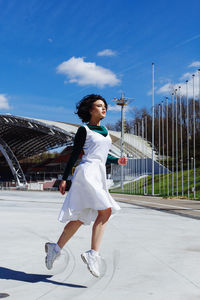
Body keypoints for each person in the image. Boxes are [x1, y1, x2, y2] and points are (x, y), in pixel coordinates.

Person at [45, 94, 128, 277]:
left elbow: (104, 155)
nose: (104, 108)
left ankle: (55, 248)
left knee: (81, 218)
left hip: (99, 173)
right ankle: (93, 254)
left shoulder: (105, 131)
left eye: (104, 106)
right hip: (87, 172)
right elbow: (75, 154)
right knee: (105, 211)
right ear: (90, 110)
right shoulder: (84, 130)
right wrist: (65, 179)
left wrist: (117, 160)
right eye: (99, 106)